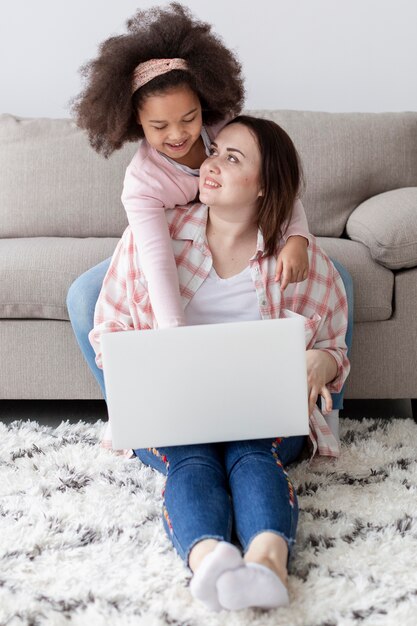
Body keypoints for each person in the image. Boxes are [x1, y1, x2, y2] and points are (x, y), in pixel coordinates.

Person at [88, 116, 350, 612]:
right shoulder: (153, 237)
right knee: (193, 459)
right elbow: (110, 328)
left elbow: (334, 348)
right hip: (172, 410)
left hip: (263, 413)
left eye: (234, 159)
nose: (210, 164)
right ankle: (211, 562)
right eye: (216, 151)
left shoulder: (303, 259)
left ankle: (267, 565)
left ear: (265, 187)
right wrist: (141, 374)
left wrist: (322, 362)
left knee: (252, 454)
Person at [66, 3, 351, 448]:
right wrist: (174, 340)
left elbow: (277, 183)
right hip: (171, 243)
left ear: (204, 106)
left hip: (232, 228)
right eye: (159, 126)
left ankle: (321, 409)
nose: (178, 135)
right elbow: (158, 258)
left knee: (341, 278)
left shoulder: (222, 131)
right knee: (84, 294)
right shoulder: (142, 182)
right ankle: (133, 417)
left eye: (189, 118)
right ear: (135, 123)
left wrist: (297, 237)